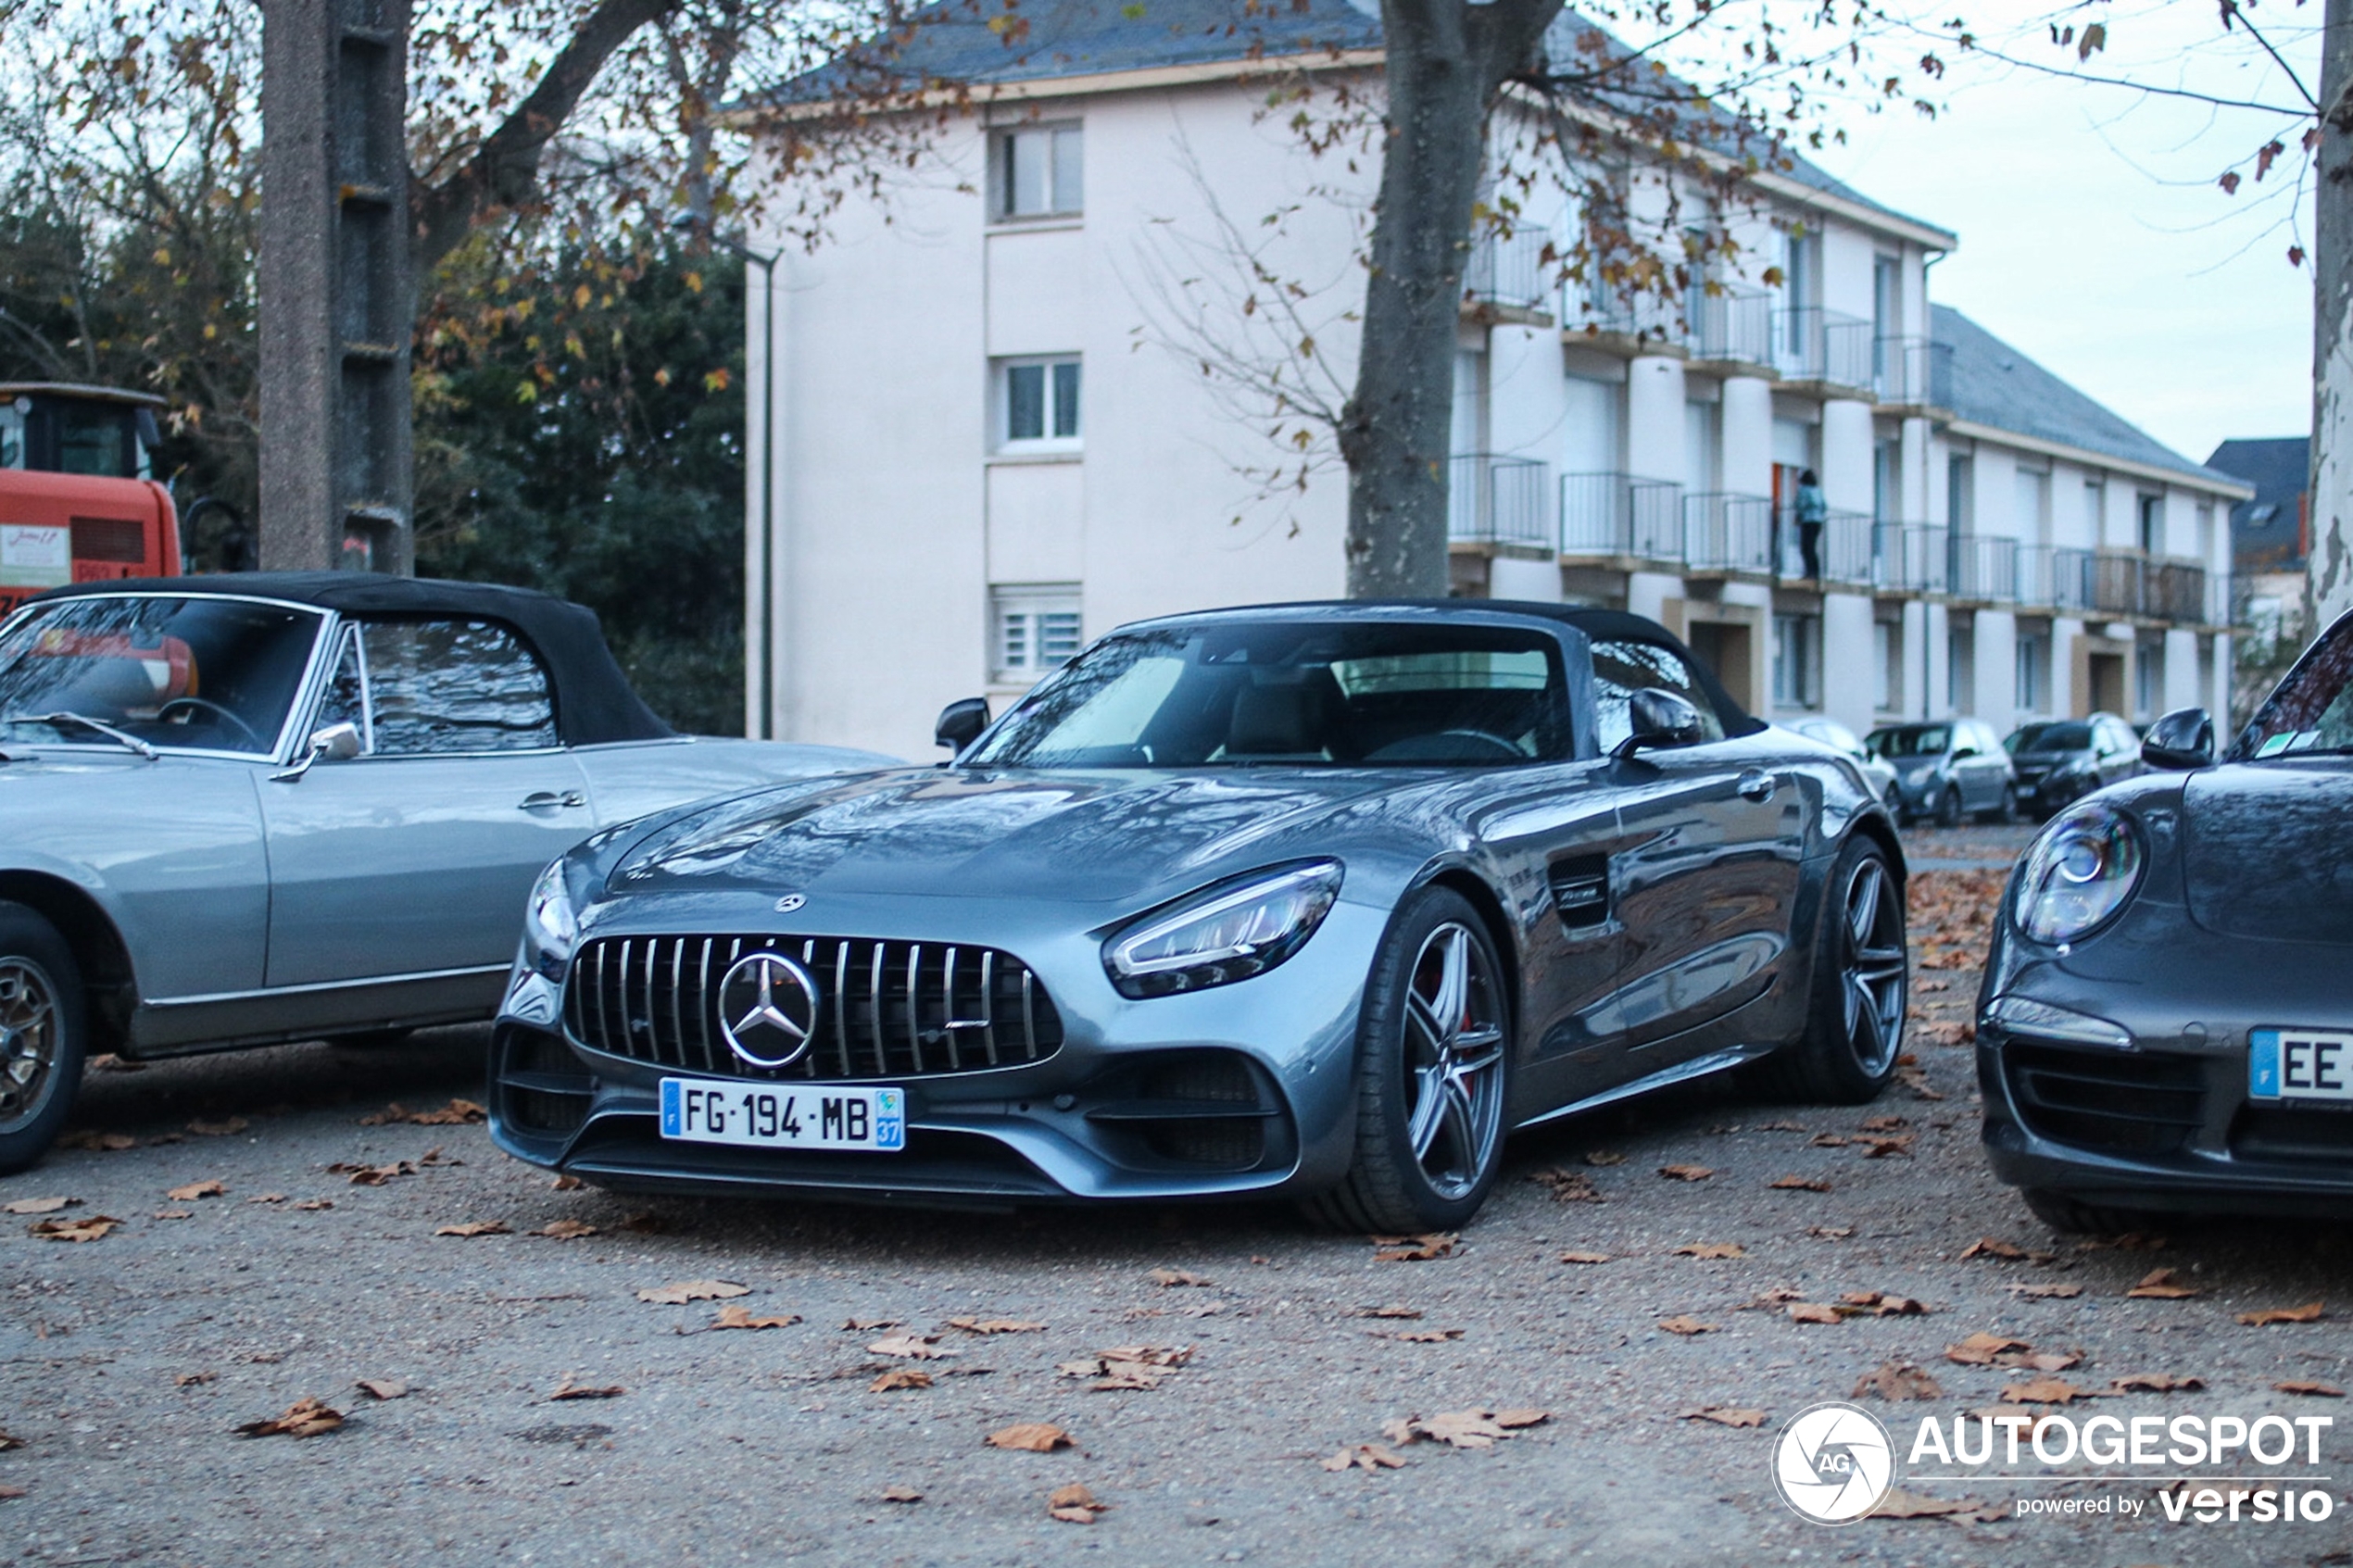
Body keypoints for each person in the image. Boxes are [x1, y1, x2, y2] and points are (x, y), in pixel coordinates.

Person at [1793, 468, 1828, 581]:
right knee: (1812, 547)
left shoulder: (1803, 490)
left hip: (1807, 521)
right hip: (1817, 522)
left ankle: (1808, 572)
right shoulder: (1817, 490)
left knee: (1805, 547)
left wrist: (1798, 516)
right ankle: (1815, 572)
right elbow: (1824, 506)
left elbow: (1800, 505)